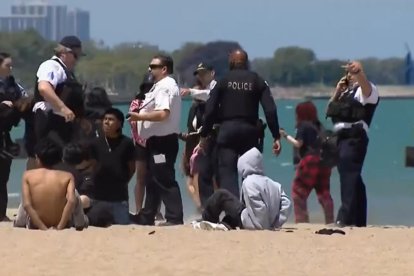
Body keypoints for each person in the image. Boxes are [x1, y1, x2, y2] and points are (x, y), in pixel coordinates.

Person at [199, 49, 282, 198]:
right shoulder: (258, 80)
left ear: (231, 62)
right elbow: (270, 110)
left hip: (227, 131)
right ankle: (251, 209)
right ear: (246, 63)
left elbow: (210, 110)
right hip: (250, 132)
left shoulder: (223, 81)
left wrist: (204, 134)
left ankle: (234, 212)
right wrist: (276, 135)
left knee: (227, 174)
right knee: (250, 173)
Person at [128, 55, 183, 226]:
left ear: (164, 69)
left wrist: (139, 116)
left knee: (164, 176)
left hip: (163, 143)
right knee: (153, 178)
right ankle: (147, 215)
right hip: (156, 141)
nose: (150, 69)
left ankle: (174, 217)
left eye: (154, 66)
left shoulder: (164, 87)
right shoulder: (159, 87)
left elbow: (163, 113)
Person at [326, 61, 379, 227]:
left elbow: (366, 87)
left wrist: (359, 73)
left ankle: (345, 217)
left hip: (354, 137)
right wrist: (337, 91)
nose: (350, 76)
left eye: (352, 73)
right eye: (348, 73)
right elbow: (328, 110)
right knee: (352, 177)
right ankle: (358, 219)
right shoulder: (344, 93)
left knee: (349, 175)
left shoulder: (366, 92)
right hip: (341, 138)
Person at [199, 147, 291, 230]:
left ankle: (207, 219)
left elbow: (258, 208)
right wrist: (276, 223)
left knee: (221, 195)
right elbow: (287, 204)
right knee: (235, 214)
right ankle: (225, 224)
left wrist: (263, 225)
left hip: (255, 223)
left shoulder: (249, 182)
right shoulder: (275, 184)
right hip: (266, 223)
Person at [14, 138, 88, 230]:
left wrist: (43, 227)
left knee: (27, 195)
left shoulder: (28, 175)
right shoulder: (67, 176)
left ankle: (19, 222)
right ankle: (80, 222)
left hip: (35, 224)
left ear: (38, 159)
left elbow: (26, 205)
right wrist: (60, 226)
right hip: (63, 224)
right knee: (74, 193)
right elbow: (71, 201)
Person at [279, 101, 334, 224]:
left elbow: (299, 144)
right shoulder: (319, 126)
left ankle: (302, 221)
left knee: (299, 193)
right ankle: (330, 220)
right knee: (324, 193)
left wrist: (285, 136)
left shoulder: (303, 126)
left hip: (309, 161)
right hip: (324, 162)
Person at [84, 108, 136, 225]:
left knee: (122, 225)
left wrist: (122, 181)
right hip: (98, 197)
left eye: (111, 119)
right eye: (105, 119)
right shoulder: (95, 143)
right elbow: (91, 166)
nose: (106, 122)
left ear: (120, 124)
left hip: (119, 198)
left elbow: (132, 168)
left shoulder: (127, 143)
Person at [32, 35, 85, 148]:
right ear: (63, 53)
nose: (77, 60)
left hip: (65, 124)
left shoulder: (67, 72)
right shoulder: (51, 66)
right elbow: (44, 88)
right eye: (76, 56)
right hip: (50, 121)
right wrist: (63, 108)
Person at [181, 63, 218, 209]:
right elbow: (192, 129)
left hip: (206, 143)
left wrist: (190, 91)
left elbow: (209, 96)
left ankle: (204, 206)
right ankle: (201, 206)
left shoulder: (214, 92)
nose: (202, 77)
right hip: (194, 145)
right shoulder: (194, 108)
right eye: (199, 74)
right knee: (193, 178)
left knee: (201, 176)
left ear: (212, 73)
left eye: (204, 73)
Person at [0, 52, 27, 221]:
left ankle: (1, 213)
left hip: (4, 134)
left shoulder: (13, 85)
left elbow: (23, 99)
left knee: (3, 175)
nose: (10, 68)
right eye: (7, 65)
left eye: (11, 65)